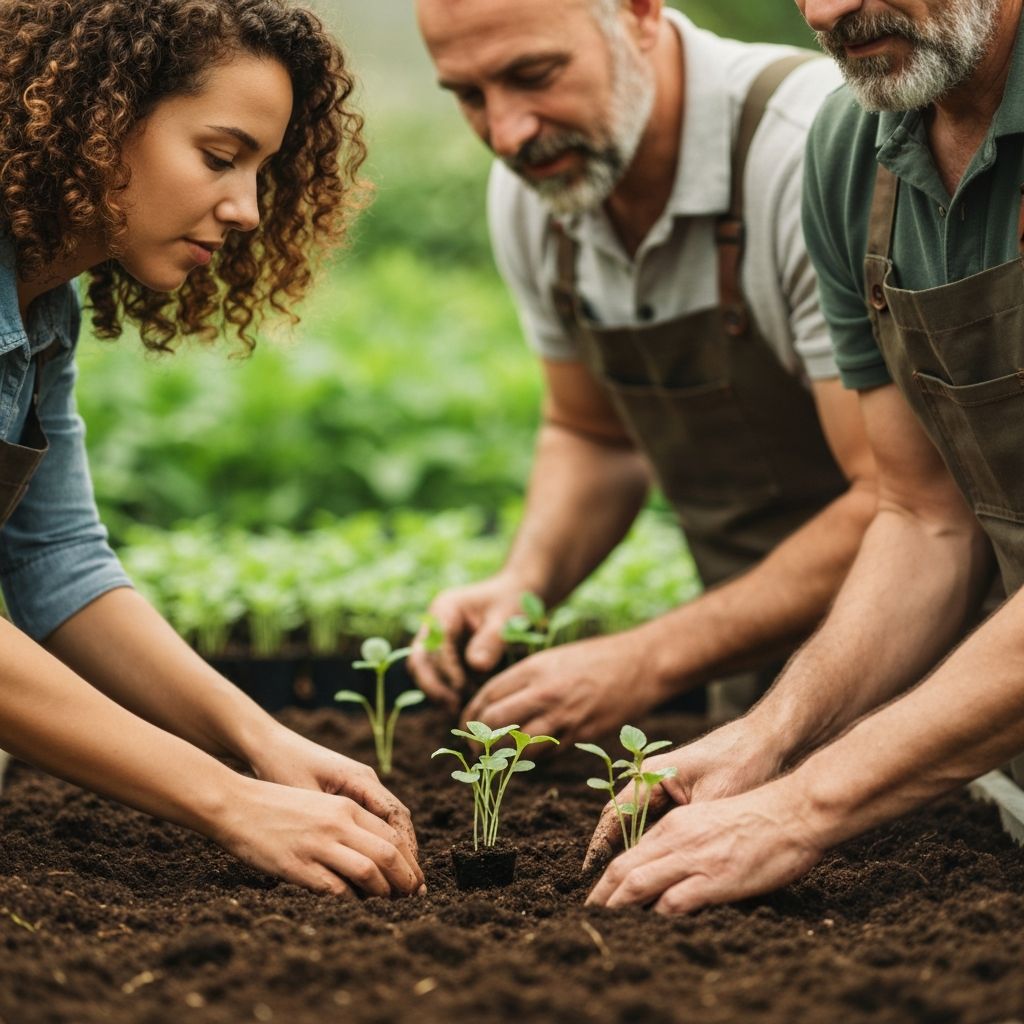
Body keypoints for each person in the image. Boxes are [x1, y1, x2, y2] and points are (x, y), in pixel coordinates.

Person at [585, 0, 1024, 915]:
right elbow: (924, 515)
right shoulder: (852, 147)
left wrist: (804, 808)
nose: (826, 11)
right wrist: (769, 737)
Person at [0, 0, 424, 900]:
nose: (247, 209)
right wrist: (230, 803)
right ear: (94, 119)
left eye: (262, 170)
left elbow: (58, 564)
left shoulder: (43, 314)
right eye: (220, 158)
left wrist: (261, 741)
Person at [409, 0, 878, 742]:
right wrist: (523, 585)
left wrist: (651, 658)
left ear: (638, 15)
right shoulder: (542, 191)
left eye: (533, 74)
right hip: (749, 669)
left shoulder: (802, 153)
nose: (507, 133)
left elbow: (900, 504)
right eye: (469, 95)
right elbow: (594, 436)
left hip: (914, 667)